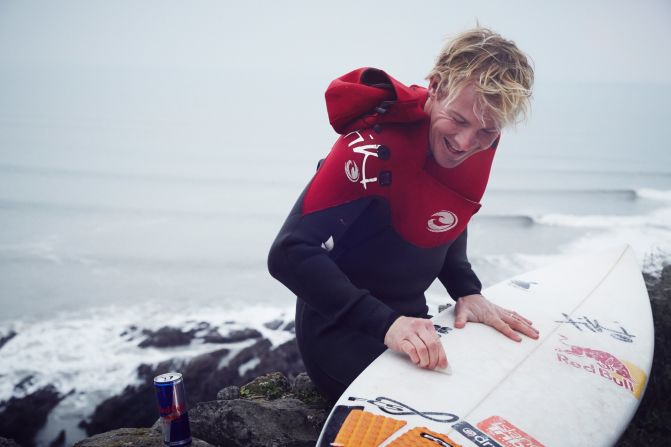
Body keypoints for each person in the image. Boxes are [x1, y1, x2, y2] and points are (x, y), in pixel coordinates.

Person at [268, 27, 538, 403]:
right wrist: (387, 324)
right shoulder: (370, 150)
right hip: (341, 331)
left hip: (412, 319)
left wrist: (466, 290)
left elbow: (449, 210)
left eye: (487, 130)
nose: (465, 143)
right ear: (437, 86)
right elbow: (288, 252)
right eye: (458, 120)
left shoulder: (481, 137)